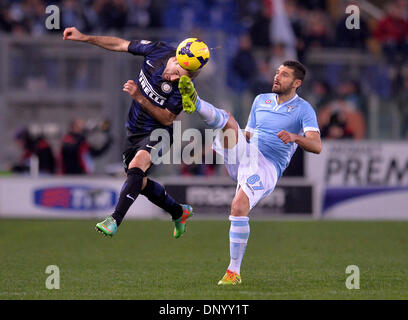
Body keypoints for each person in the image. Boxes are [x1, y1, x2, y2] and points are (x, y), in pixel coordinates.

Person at [178, 60, 322, 285]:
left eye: (284, 75)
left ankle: (233, 272)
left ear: (297, 83)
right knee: (228, 120)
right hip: (248, 152)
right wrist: (216, 148)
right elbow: (248, 134)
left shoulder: (303, 109)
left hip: (267, 167)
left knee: (238, 207)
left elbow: (317, 145)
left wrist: (295, 137)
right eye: (277, 72)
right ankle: (194, 102)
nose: (277, 76)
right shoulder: (260, 100)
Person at [63, 27, 198, 238]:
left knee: (136, 167)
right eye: (178, 74)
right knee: (138, 181)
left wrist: (139, 97)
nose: (175, 80)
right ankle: (178, 211)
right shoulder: (157, 50)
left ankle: (114, 220)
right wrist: (84, 37)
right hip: (134, 131)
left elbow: (167, 118)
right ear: (176, 59)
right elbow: (120, 44)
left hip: (160, 132)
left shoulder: (185, 87)